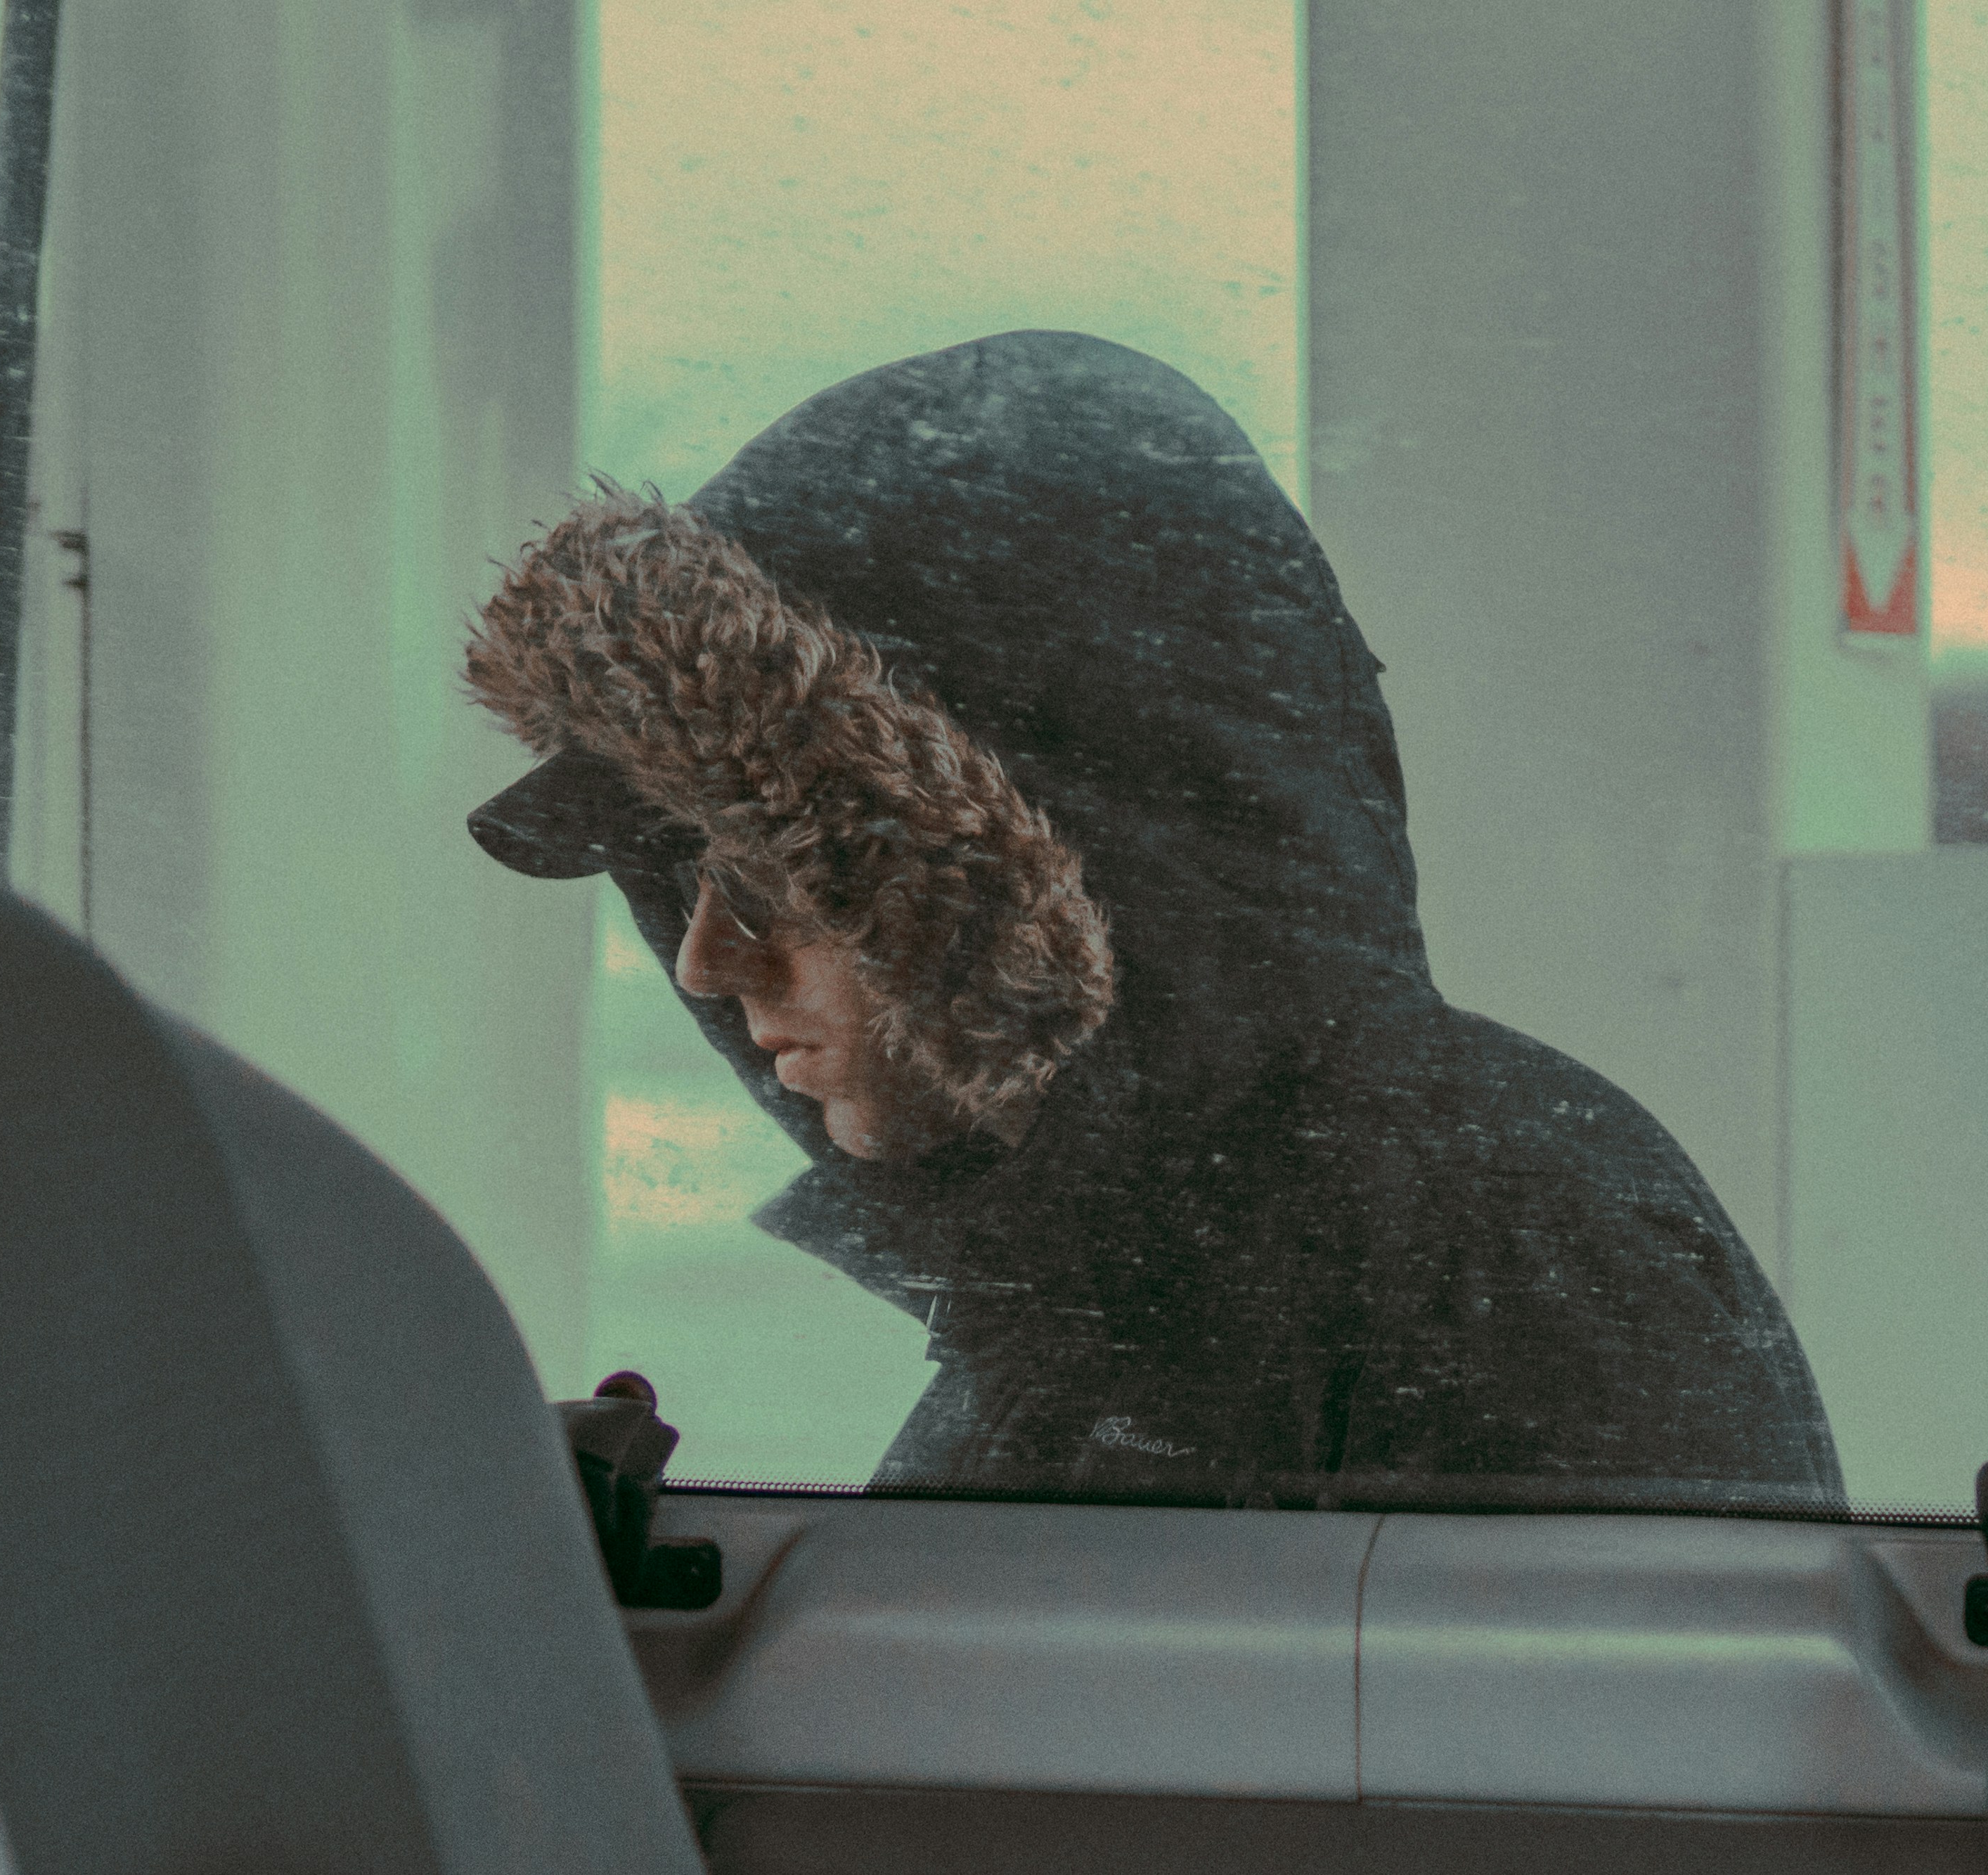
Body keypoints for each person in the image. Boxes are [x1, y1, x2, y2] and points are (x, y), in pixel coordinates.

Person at [464, 330, 1842, 1507]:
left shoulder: (1499, 1240)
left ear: (1031, 873)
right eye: (681, 878)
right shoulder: (1131, 1270)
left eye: (775, 877)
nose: (704, 961)